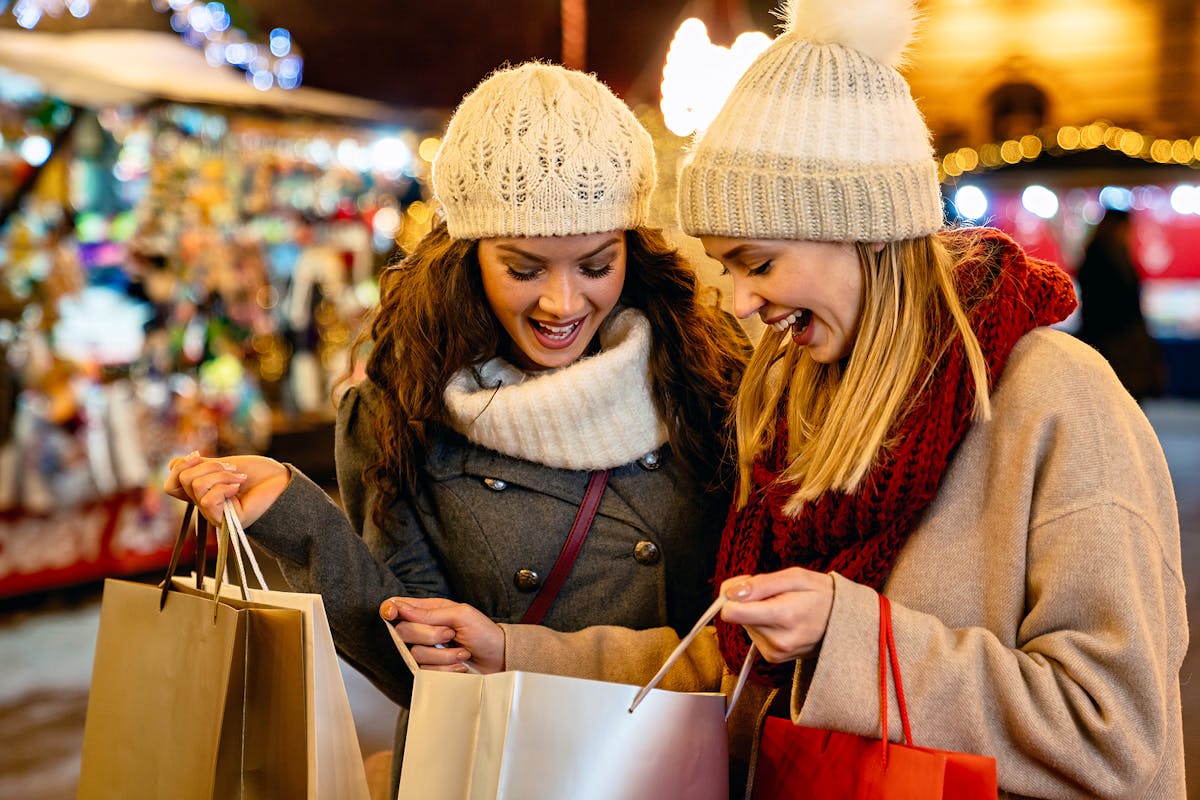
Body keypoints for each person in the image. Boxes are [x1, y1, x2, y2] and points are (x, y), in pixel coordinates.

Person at [391, 3, 1187, 797]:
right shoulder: (794, 399)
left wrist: (851, 635)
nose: (738, 302)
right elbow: (737, 664)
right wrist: (515, 652)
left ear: (864, 227)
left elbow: (1114, 731)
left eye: (759, 264)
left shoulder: (1054, 400)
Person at [165, 61, 747, 795]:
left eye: (597, 263)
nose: (563, 302)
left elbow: (738, 631)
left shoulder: (707, 376)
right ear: (467, 256)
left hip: (671, 763)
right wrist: (291, 512)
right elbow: (416, 669)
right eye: (525, 267)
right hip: (499, 773)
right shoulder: (401, 406)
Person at [1076, 207, 1168, 402]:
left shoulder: (1099, 256)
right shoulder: (1108, 258)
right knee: (1123, 400)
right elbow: (1118, 304)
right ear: (1118, 228)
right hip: (1118, 344)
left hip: (1110, 342)